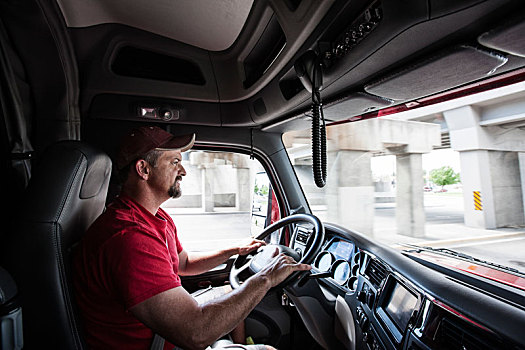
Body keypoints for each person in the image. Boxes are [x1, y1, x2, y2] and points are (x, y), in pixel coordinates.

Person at [72, 126, 311, 350]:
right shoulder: (129, 238)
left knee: (229, 292)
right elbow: (195, 333)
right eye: (175, 162)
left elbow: (182, 263)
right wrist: (265, 279)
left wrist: (233, 249)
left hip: (164, 334)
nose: (184, 170)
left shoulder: (154, 216)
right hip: (159, 343)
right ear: (143, 169)